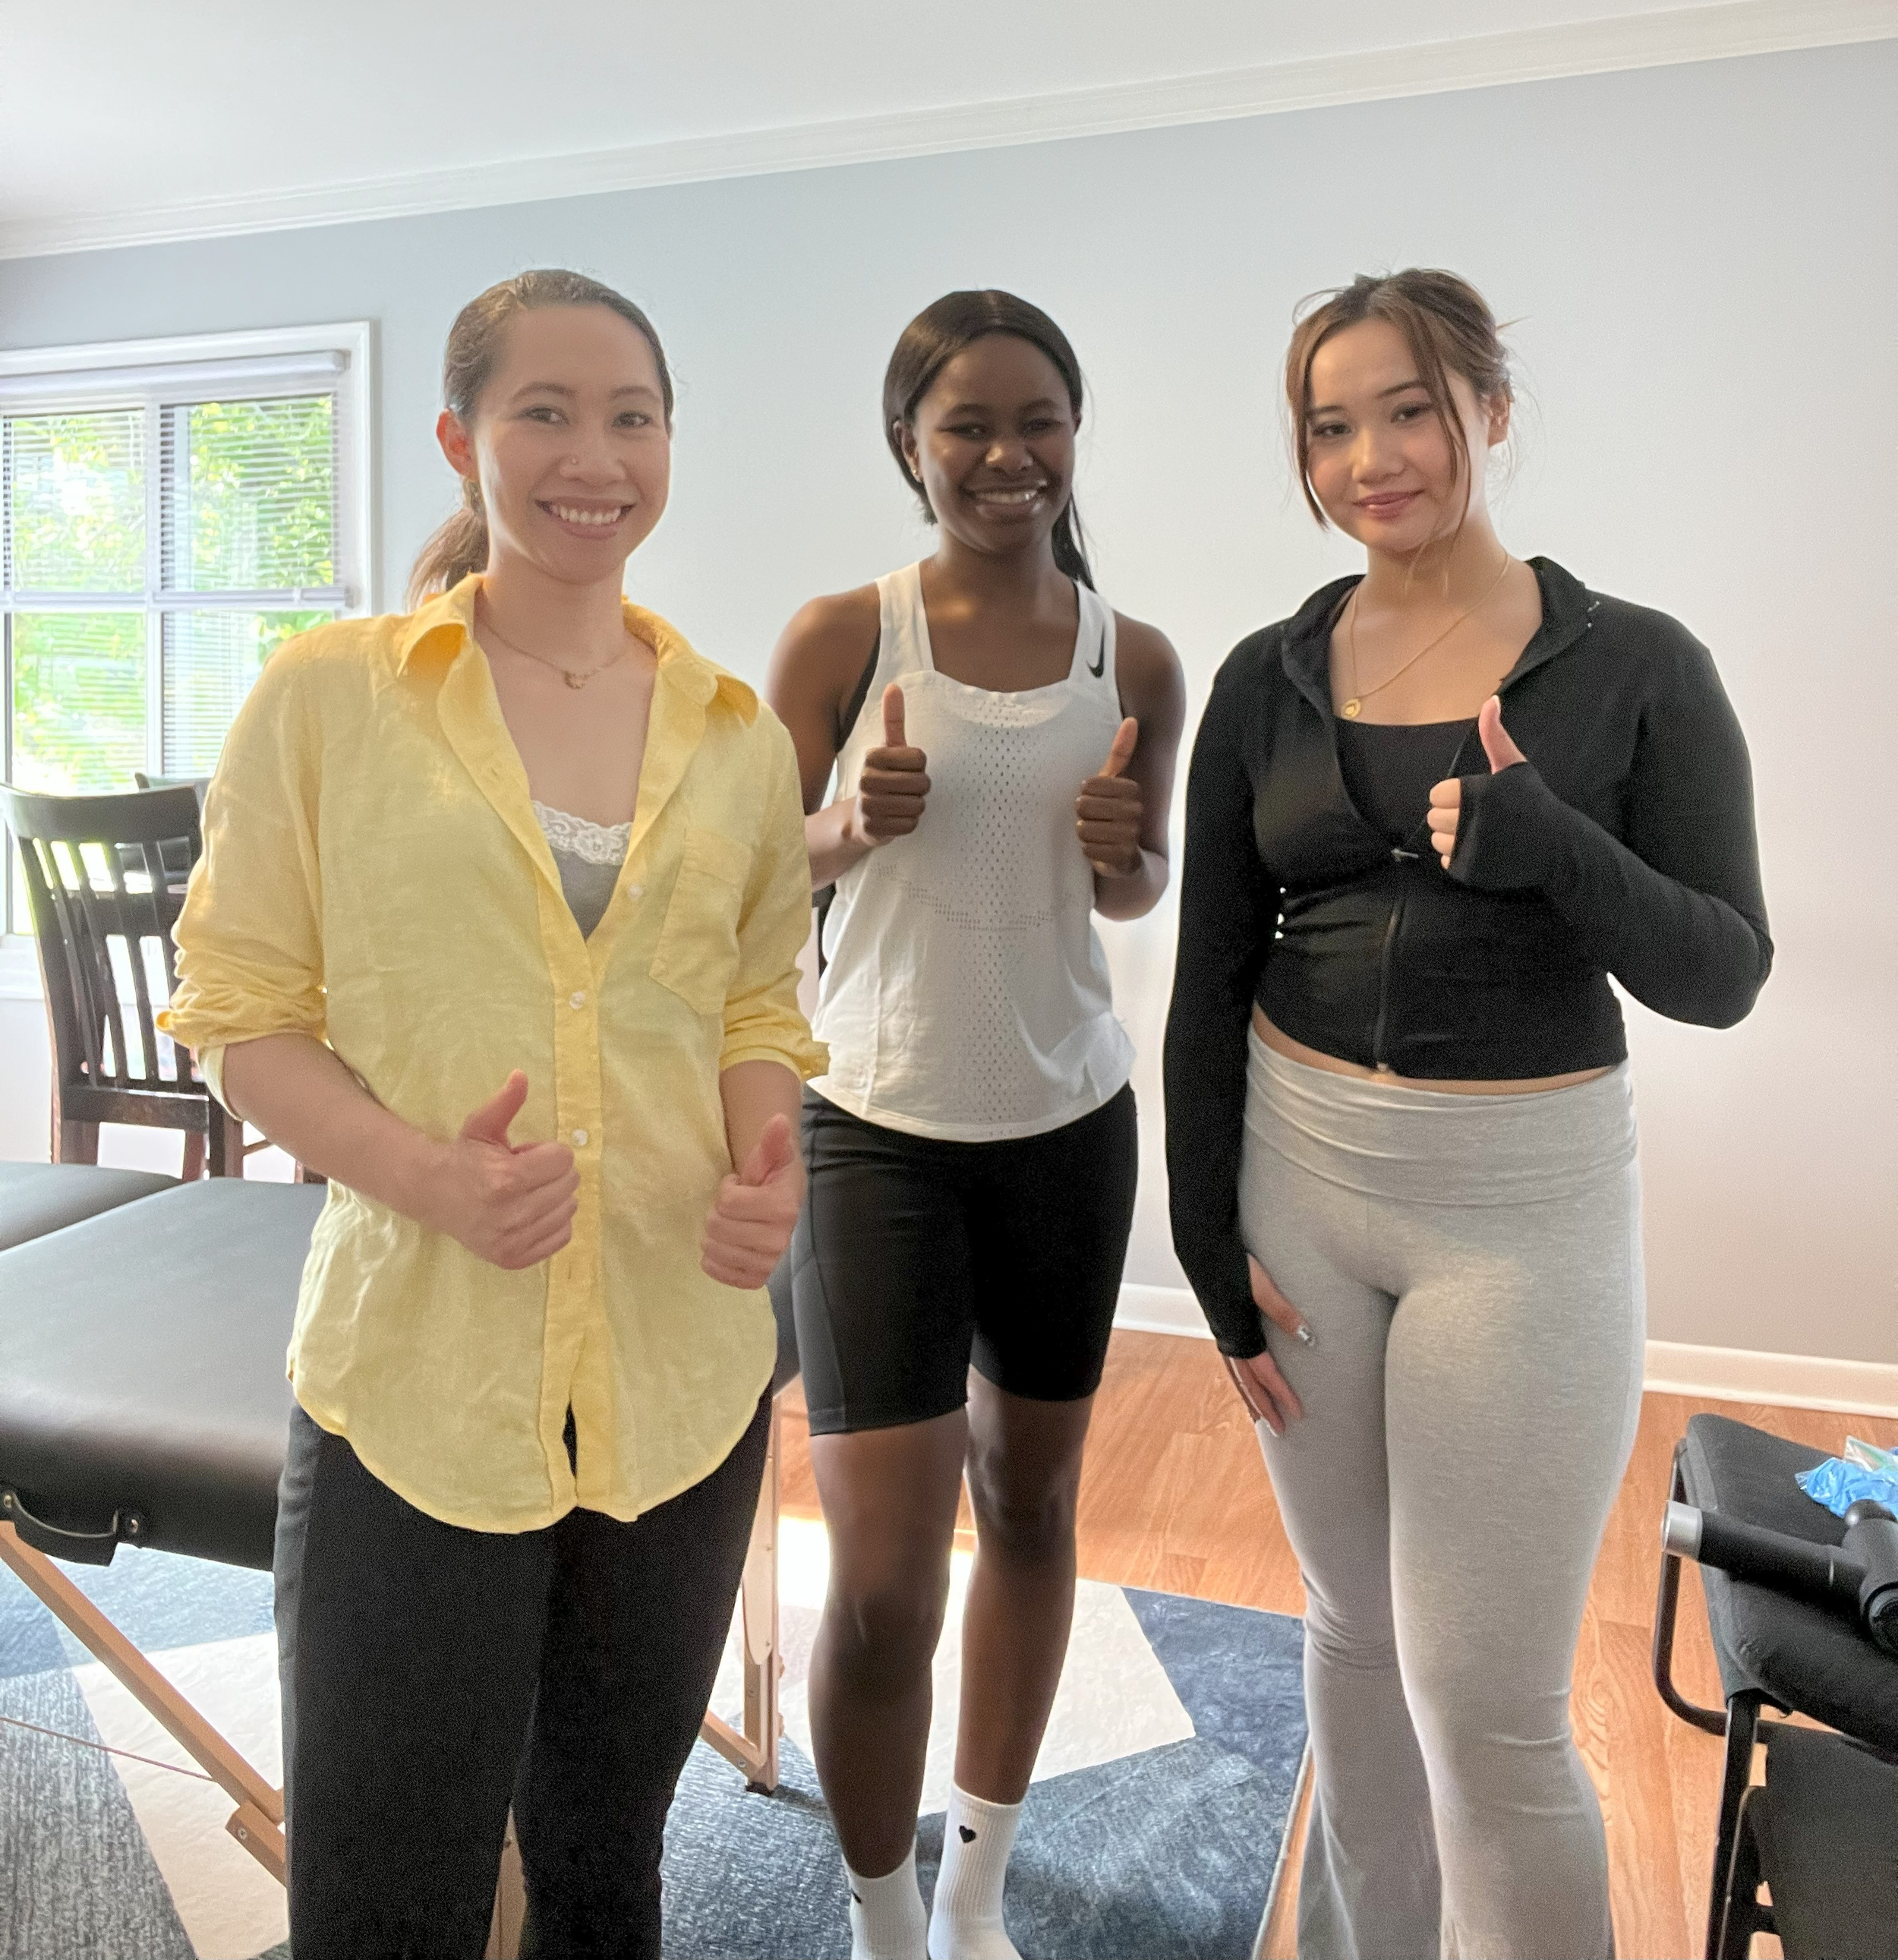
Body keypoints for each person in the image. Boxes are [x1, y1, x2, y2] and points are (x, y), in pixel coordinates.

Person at [163, 268, 825, 1960]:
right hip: (419, 1385)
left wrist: (771, 1160)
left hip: (679, 1376)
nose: (589, 455)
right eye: (542, 410)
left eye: (631, 416)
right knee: (387, 1890)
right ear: (461, 440)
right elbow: (239, 1010)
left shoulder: (739, 740)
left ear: (670, 445)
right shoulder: (330, 698)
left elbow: (759, 1000)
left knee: (607, 1861)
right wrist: (415, 1174)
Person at [1164, 269, 1770, 1960]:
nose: (1372, 456)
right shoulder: (1266, 673)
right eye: (1329, 424)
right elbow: (1209, 965)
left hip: (1519, 1211)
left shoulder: (1634, 666)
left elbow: (1720, 971)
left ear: (1487, 411)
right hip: (1297, 1180)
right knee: (1350, 1640)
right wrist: (1200, 1243)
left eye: (1408, 409)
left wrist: (1554, 846)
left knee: (1483, 1701)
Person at [765, 289, 1185, 1960]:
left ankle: (976, 1891)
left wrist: (1115, 850)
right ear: (908, 444)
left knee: (1028, 1508)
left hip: (1066, 1121)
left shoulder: (1128, 654)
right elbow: (745, 872)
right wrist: (837, 825)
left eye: (1038, 421)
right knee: (878, 1583)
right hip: (873, 1126)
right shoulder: (837, 634)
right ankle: (874, 1913)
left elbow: (1141, 883)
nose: (1006, 454)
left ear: (1072, 437)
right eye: (967, 424)